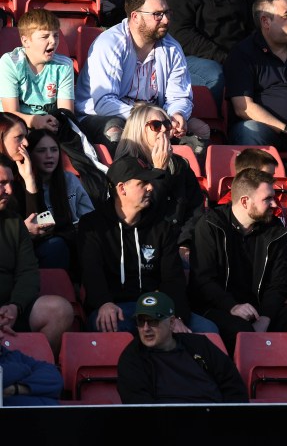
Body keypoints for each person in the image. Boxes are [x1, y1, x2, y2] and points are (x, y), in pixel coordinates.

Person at [79, 155, 213, 334]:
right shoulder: (93, 226)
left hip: (157, 308)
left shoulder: (161, 227)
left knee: (207, 330)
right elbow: (92, 273)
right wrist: (104, 303)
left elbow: (173, 279)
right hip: (116, 308)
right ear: (122, 188)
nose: (150, 187)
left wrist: (176, 317)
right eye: (142, 183)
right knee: (110, 325)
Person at [190, 168, 287, 354]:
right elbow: (203, 280)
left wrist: (265, 317)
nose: (275, 204)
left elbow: (279, 283)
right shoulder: (210, 225)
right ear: (244, 201)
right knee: (239, 330)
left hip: (259, 311)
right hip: (219, 308)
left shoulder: (274, 229)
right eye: (267, 199)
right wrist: (232, 306)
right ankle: (246, 378)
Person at [76, 0, 204, 149]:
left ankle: (177, 174)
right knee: (114, 129)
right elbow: (103, 102)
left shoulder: (173, 48)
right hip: (101, 116)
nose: (165, 20)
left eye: (167, 13)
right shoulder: (109, 44)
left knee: (199, 131)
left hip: (154, 120)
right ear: (135, 16)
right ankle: (123, 174)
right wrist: (146, 118)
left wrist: (177, 114)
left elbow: (179, 97)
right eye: (157, 14)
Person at [225, 0, 287, 149]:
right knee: (249, 130)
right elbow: (243, 107)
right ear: (265, 21)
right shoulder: (243, 54)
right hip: (268, 132)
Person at [117, 291, 249, 404]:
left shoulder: (199, 345)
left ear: (172, 322)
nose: (146, 328)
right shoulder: (133, 357)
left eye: (153, 321)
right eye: (140, 321)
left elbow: (233, 386)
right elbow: (139, 408)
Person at [0, 154, 74, 354]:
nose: (8, 190)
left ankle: (30, 368)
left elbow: (28, 271)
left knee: (60, 310)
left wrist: (15, 306)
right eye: (1, 183)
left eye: (9, 183)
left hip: (11, 309)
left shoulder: (14, 223)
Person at [114, 103, 205, 255]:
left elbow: (196, 209)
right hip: (141, 246)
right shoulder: (124, 167)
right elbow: (140, 214)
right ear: (138, 130)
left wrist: (185, 243)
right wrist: (159, 170)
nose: (164, 129)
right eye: (156, 125)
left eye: (167, 124)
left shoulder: (180, 164)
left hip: (178, 244)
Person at [26, 128, 94, 269]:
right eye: (41, 151)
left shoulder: (69, 180)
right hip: (37, 247)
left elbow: (89, 217)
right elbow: (38, 228)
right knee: (56, 246)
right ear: (30, 154)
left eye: (54, 150)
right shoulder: (21, 185)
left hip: (72, 239)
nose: (49, 155)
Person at [0, 9, 74, 130]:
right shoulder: (10, 62)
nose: (53, 41)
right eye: (45, 36)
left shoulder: (64, 66)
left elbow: (66, 114)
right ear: (25, 41)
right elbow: (10, 115)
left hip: (49, 126)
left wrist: (54, 123)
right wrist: (35, 121)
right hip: (15, 127)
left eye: (56, 35)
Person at [0, 113, 56, 242]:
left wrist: (29, 180)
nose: (26, 143)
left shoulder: (25, 169)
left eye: (26, 136)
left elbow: (43, 223)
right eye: (19, 137)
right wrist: (23, 230)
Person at [0, 340, 63, 405]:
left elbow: (54, 378)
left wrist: (17, 389)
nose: (1, 335)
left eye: (1, 330)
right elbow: (5, 375)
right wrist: (22, 369)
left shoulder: (13, 356)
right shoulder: (20, 363)